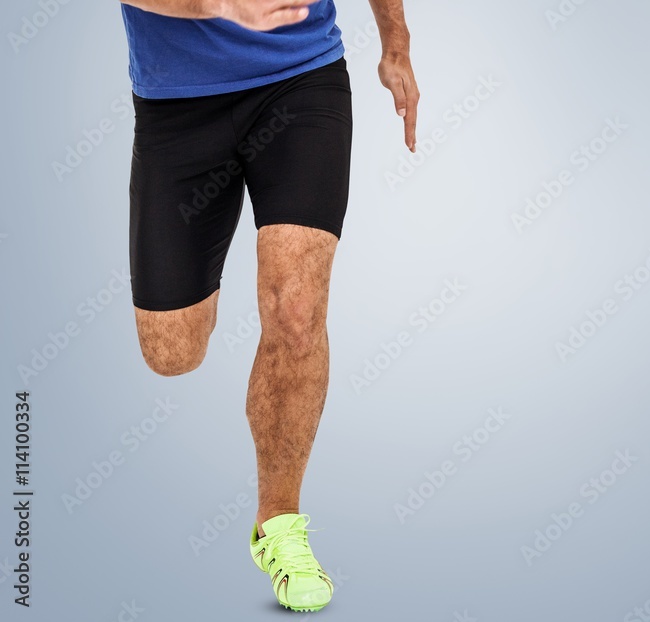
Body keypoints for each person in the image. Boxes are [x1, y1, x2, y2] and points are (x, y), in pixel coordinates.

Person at [118, 0, 419, 612]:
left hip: (302, 81)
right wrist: (224, 7)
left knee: (296, 311)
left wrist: (395, 45)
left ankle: (278, 524)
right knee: (171, 352)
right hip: (177, 104)